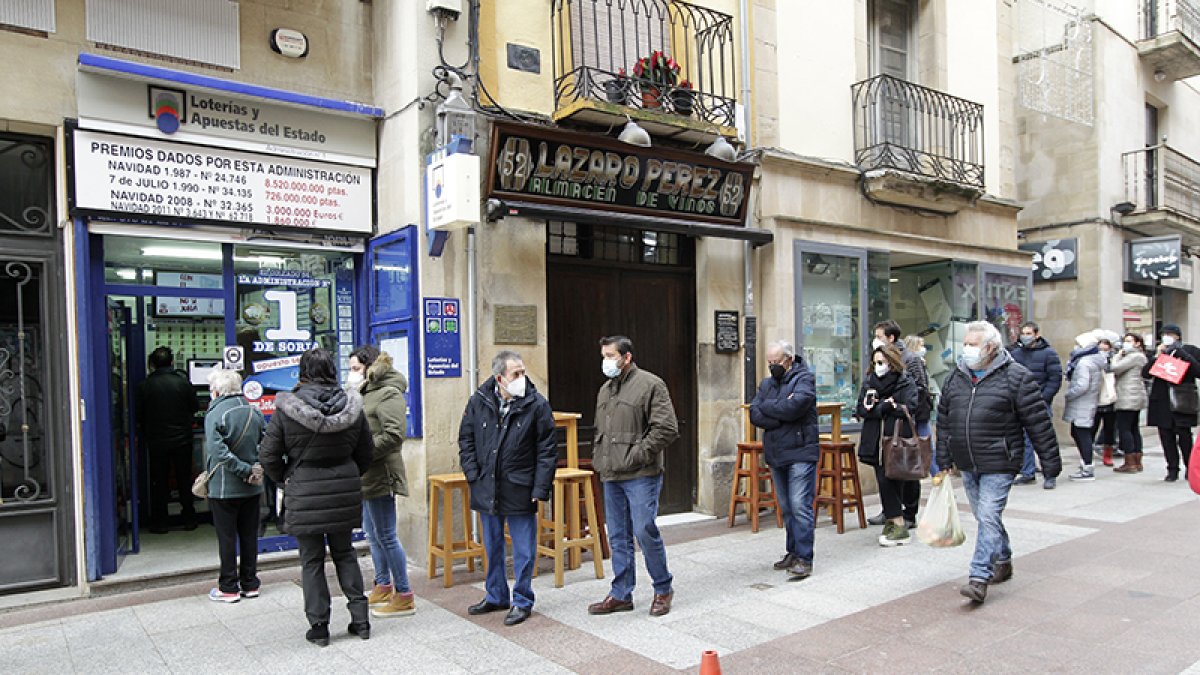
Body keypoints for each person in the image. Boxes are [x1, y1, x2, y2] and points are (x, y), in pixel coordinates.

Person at [935, 321, 1061, 604]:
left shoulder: (1017, 377)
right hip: (967, 460)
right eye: (965, 343)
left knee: (989, 515)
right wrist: (943, 457)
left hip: (1000, 460)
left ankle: (979, 577)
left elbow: (1039, 423)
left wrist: (1050, 464)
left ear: (991, 347)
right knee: (984, 517)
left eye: (972, 344)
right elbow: (944, 421)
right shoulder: (956, 378)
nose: (966, 349)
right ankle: (1003, 559)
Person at [259, 348, 374, 647]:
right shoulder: (352, 405)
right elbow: (366, 452)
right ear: (332, 371)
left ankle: (320, 627)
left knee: (311, 560)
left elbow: (268, 455)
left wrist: (286, 476)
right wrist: (347, 474)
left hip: (305, 489)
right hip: (343, 489)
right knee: (345, 553)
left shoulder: (288, 407)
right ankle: (360, 620)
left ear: (303, 372)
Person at [459, 350, 557, 627]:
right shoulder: (479, 401)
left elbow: (547, 451)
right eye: (516, 374)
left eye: (523, 372)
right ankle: (496, 595)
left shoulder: (536, 404)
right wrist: (472, 474)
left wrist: (540, 488)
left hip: (520, 486)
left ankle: (522, 600)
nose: (522, 378)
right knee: (492, 545)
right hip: (486, 484)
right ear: (500, 378)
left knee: (524, 549)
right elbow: (466, 438)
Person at [588, 336, 679, 618]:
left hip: (641, 473)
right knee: (617, 535)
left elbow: (666, 428)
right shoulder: (605, 390)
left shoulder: (651, 384)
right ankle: (621, 593)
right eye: (603, 356)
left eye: (611, 356)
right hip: (611, 474)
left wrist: (637, 455)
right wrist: (600, 460)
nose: (606, 361)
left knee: (644, 530)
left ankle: (663, 588)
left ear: (626, 357)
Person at [348, 346, 416, 619]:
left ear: (369, 367)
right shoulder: (363, 393)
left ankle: (404, 594)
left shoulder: (388, 392)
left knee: (386, 535)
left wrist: (363, 454)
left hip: (380, 472)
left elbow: (393, 435)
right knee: (372, 534)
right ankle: (383, 584)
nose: (351, 374)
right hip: (364, 473)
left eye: (355, 368)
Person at [749, 340, 819, 580]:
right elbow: (755, 413)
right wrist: (779, 413)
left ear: (788, 359)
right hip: (777, 452)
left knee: (800, 505)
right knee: (787, 507)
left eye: (776, 362)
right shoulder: (766, 384)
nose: (772, 367)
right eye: (769, 363)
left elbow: (795, 407)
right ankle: (792, 551)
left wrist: (772, 410)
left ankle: (804, 557)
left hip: (801, 450)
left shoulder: (805, 379)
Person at [203, 368, 267, 603]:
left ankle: (228, 587)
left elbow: (217, 451)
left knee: (227, 538)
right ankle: (250, 583)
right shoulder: (254, 410)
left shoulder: (216, 412)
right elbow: (266, 442)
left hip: (224, 487)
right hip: (253, 486)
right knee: (249, 536)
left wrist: (242, 469)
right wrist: (255, 468)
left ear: (217, 390)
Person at [855, 344, 920, 547]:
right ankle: (895, 519)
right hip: (875, 440)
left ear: (892, 363)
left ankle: (899, 520)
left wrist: (889, 407)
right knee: (884, 479)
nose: (878, 367)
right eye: (875, 363)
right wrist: (883, 407)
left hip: (897, 438)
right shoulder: (869, 383)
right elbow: (861, 410)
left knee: (897, 479)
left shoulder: (904, 381)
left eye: (881, 362)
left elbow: (910, 407)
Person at [866, 321, 929, 526]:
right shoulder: (874, 369)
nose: (875, 339)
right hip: (882, 426)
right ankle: (891, 511)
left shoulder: (910, 359)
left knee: (907, 467)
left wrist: (902, 409)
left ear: (890, 338)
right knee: (888, 470)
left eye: (879, 335)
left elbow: (920, 390)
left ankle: (909, 513)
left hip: (907, 422)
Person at [137, 346, 200, 533]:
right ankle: (189, 518)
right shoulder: (182, 383)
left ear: (152, 364)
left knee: (159, 482)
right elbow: (194, 407)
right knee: (184, 479)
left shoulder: (144, 386)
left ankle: (161, 522)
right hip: (182, 440)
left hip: (157, 441)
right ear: (172, 362)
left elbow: (139, 415)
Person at [1009, 322, 1063, 489]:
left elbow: (1055, 379)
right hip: (1020, 403)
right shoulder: (1016, 354)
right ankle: (1028, 472)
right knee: (1024, 440)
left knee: (1044, 440)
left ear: (1037, 334)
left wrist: (1043, 398)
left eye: (1028, 333)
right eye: (1023, 333)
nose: (1025, 336)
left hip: (1039, 403)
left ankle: (1050, 474)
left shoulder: (1049, 354)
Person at [1143, 324, 1200, 481]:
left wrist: (1183, 355)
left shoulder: (1191, 350)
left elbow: (1198, 371)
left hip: (1182, 399)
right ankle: (1172, 468)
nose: (1166, 337)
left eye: (1170, 334)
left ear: (1178, 336)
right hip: (1162, 400)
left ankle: (1190, 467)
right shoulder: (1160, 352)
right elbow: (1145, 373)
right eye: (1164, 334)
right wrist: (1157, 356)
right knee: (1166, 437)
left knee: (1184, 437)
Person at [1062, 332, 1109, 481]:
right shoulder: (1093, 360)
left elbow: (1082, 385)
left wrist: (1069, 393)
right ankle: (1086, 464)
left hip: (1082, 401)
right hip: (1087, 401)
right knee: (1079, 432)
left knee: (1081, 433)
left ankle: (1087, 467)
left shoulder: (1084, 363)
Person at [1111, 333, 1149, 474]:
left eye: (1129, 341)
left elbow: (1115, 367)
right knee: (1133, 428)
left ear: (1138, 343)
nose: (1125, 344)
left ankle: (1130, 462)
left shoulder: (1134, 356)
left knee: (1125, 428)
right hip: (1134, 395)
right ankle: (1137, 460)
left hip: (1128, 396)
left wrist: (1118, 355)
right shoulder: (1139, 356)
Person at [1092, 338, 1119, 467]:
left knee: (1109, 429)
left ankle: (1107, 454)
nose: (1103, 352)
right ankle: (1087, 454)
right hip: (1095, 399)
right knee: (1092, 428)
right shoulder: (1092, 361)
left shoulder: (1115, 361)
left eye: (1105, 349)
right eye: (1100, 349)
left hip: (1110, 399)